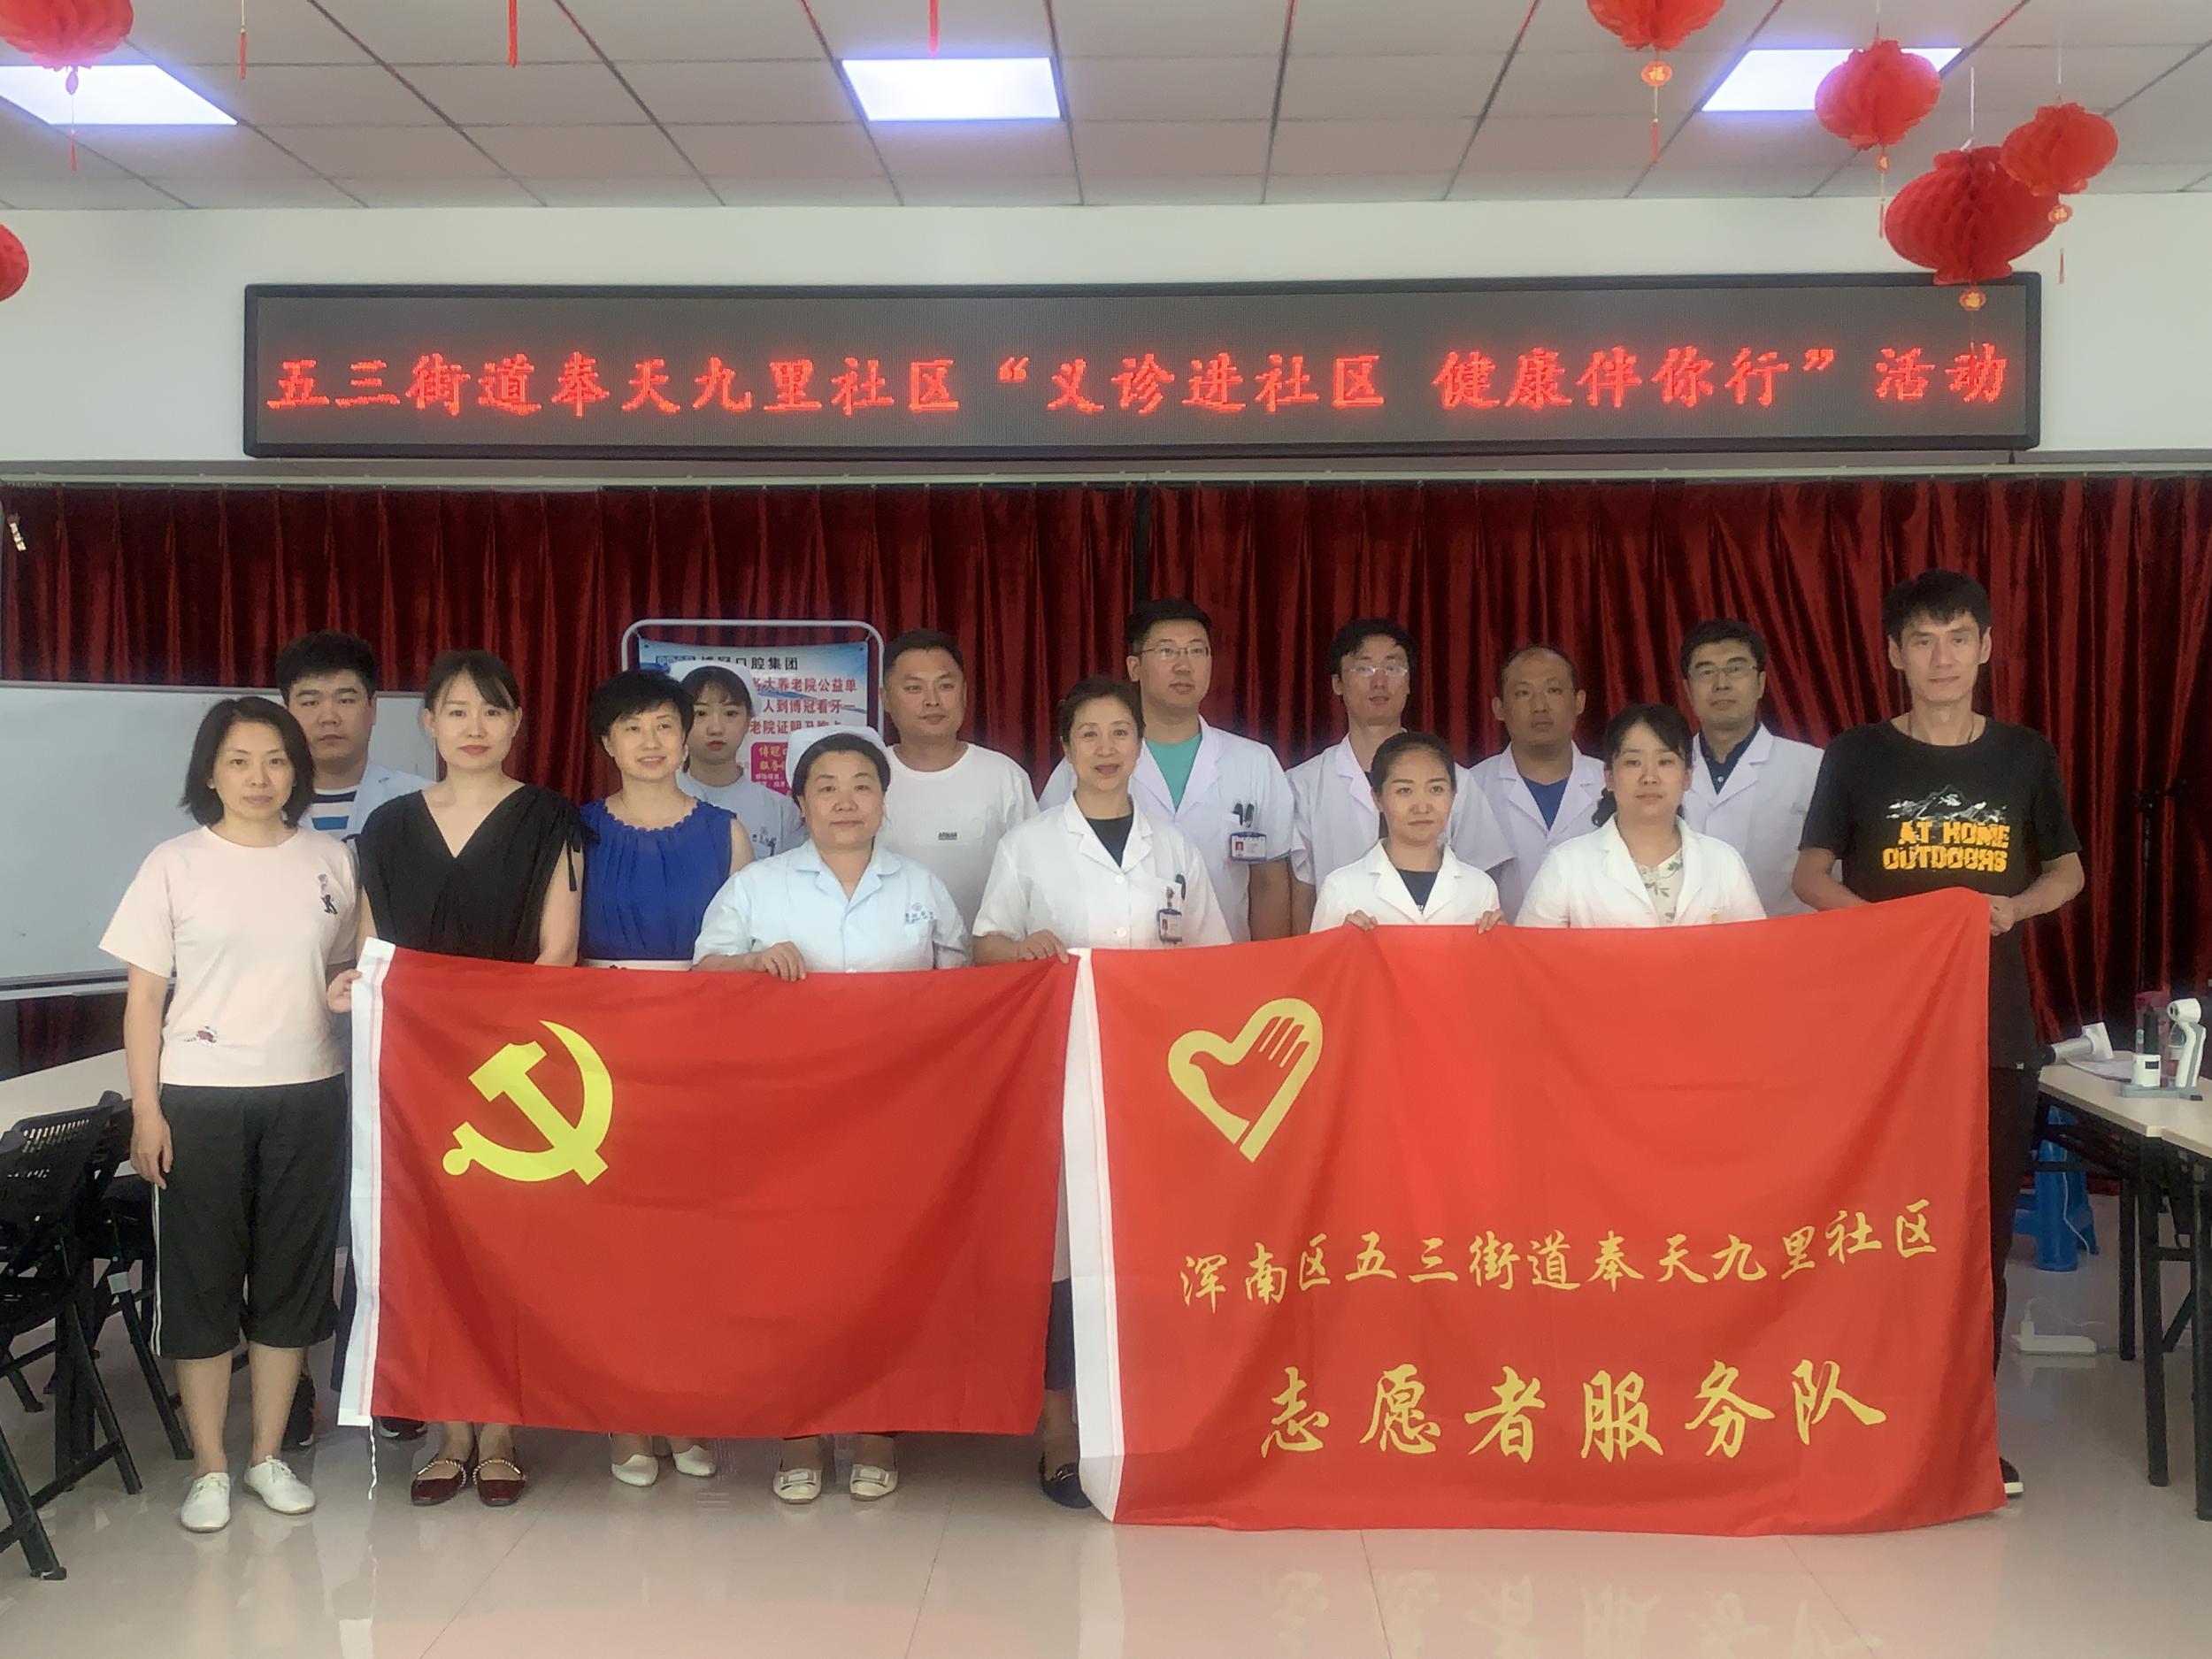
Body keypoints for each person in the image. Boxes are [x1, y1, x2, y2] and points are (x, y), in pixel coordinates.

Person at [1793, 569, 2084, 1502]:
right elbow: (1809, 874)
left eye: (1958, 637)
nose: (1942, 657)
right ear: (1894, 654)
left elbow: (2068, 869)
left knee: (1975, 1237)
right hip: (1884, 1038)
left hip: (1993, 1033)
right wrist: (1888, 931)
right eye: (1922, 640)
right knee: (1875, 1230)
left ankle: (1965, 1434)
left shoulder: (2024, 755)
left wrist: (2015, 907)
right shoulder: (1858, 755)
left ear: (1986, 646)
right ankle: (1862, 1419)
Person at [974, 677, 1232, 1512]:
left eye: (1122, 731)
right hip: (1060, 1071)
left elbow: (1211, 959)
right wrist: (1022, 947)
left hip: (1155, 1078)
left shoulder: (1175, 847)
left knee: (1147, 1245)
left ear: (1140, 745)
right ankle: (1061, 1427)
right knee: (1063, 1249)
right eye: (1090, 733)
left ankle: (1149, 1418)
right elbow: (985, 942)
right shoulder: (1030, 845)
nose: (1108, 747)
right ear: (1066, 749)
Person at [100, 697, 356, 1534]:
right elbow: (144, 1002)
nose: (259, 777)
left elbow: (347, 964)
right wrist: (147, 1110)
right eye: (239, 760)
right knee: (202, 1281)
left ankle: (267, 1455)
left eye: (276, 759)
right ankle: (210, 1465)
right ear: (210, 772)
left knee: (292, 1278)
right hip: (199, 1097)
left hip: (309, 1091)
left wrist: (344, 988)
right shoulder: (174, 863)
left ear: (297, 770)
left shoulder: (331, 860)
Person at [694, 727, 967, 1505]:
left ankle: (879, 1425)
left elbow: (961, 998)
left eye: (861, 785)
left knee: (888, 1270)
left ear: (883, 800)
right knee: (793, 1275)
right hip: (789, 1119)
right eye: (827, 786)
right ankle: (799, 1429)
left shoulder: (923, 888)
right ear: (801, 802)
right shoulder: (758, 886)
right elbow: (703, 973)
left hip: (897, 1118)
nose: (846, 801)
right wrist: (752, 962)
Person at [339, 649, 587, 1509]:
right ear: (429, 723)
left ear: (517, 724)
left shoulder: (550, 817)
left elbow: (558, 950)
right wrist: (359, 987)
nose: (474, 727)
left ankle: (503, 1431)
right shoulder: (388, 826)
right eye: (456, 710)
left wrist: (493, 1039)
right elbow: (376, 948)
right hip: (419, 1071)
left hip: (517, 1067)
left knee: (508, 1248)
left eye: (492, 710)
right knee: (432, 1246)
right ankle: (450, 1432)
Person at [577, 669, 750, 1488]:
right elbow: (554, 950)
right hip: (604, 1053)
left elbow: (743, 949)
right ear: (607, 743)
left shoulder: (727, 831)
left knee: (692, 1241)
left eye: (664, 726)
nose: (651, 742)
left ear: (686, 739)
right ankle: (624, 1413)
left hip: (702, 1054)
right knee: (615, 1242)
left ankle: (685, 1405)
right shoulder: (573, 830)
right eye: (632, 727)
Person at [1039, 598, 1293, 943]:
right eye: (1166, 651)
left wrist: (1266, 968)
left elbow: (1269, 883)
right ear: (1134, 667)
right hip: (1119, 960)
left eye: (1197, 651)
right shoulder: (1088, 764)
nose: (1183, 666)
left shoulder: (1254, 763)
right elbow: (1049, 865)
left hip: (1224, 960)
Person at [1289, 618, 1509, 932]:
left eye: (1393, 668)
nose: (1380, 681)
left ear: (1409, 683)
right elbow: (1302, 895)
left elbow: (1479, 886)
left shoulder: (1456, 779)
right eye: (1364, 668)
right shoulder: (1303, 784)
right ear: (1337, 683)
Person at [1517, 703, 1766, 929]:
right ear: (1609, 778)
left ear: (1687, 776)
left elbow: (1756, 952)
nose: (1649, 777)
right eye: (1633, 762)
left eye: (1665, 762)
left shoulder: (1724, 863)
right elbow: (1530, 955)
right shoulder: (1565, 865)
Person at [875, 627, 1038, 929]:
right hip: (890, 952)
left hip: (989, 953)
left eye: (945, 686)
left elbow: (1035, 872)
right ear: (885, 698)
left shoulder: (1004, 776)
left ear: (963, 693)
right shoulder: (867, 778)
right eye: (914, 688)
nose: (932, 700)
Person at [1678, 618, 1824, 918]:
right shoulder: (1663, 769)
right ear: (1688, 689)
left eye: (1735, 668)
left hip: (1786, 938)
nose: (1721, 684)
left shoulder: (1813, 767)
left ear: (1760, 683)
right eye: (1706, 671)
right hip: (1688, 940)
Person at [1312, 731, 1506, 931]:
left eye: (1436, 789)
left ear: (1454, 794)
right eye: (1404, 790)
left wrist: (1501, 941)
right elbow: (1321, 953)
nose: (1422, 807)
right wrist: (1343, 942)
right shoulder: (1341, 889)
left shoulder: (1480, 889)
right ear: (1378, 799)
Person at [1469, 645, 1609, 918]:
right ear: (1499, 708)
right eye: (1523, 693)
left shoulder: (1614, 783)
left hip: (1597, 942)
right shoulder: (1470, 788)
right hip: (1500, 942)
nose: (1540, 706)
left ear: (1579, 701)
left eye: (1553, 690)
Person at [275, 630, 430, 844]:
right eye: (310, 703)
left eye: (346, 700)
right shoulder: (260, 805)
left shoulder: (425, 801)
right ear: (286, 715)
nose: (329, 718)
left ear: (372, 708)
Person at [676, 664, 805, 862]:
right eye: (700, 713)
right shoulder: (653, 802)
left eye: (730, 713)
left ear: (748, 722)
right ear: (679, 721)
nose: (716, 728)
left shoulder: (782, 812)